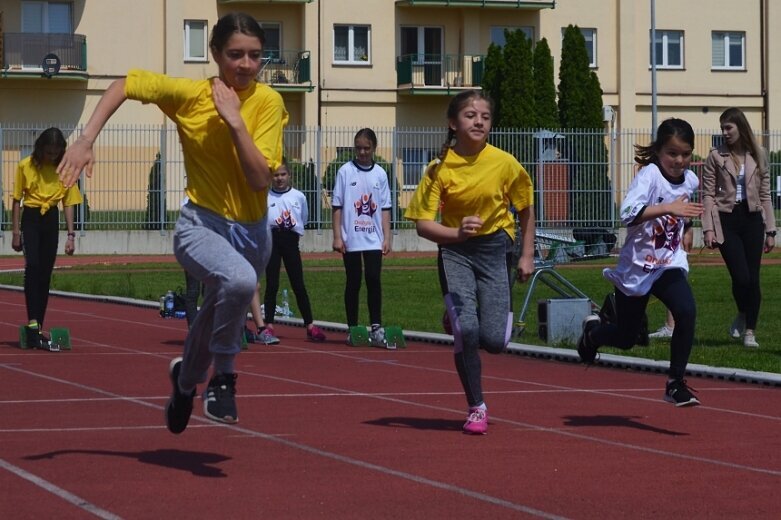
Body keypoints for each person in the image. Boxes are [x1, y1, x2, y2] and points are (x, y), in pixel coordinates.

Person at [57, 12, 288, 432]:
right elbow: (125, 84)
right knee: (238, 283)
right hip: (200, 225)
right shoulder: (188, 95)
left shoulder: (269, 103)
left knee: (220, 304)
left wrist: (235, 120)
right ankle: (224, 378)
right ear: (216, 54)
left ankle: (184, 384)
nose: (246, 65)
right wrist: (87, 138)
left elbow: (259, 180)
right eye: (235, 55)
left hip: (253, 233)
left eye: (255, 56)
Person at [404, 90, 536, 435]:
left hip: (495, 249)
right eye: (470, 115)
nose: (478, 121)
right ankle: (476, 406)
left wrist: (526, 254)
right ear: (453, 122)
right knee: (468, 331)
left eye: (485, 116)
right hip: (455, 251)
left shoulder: (506, 163)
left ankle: (458, 315)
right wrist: (457, 234)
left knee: (494, 341)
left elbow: (525, 208)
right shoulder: (438, 168)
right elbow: (422, 224)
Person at [577, 118, 703, 407]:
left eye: (685, 154)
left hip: (668, 263)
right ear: (659, 151)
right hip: (637, 267)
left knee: (687, 310)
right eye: (672, 153)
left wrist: (685, 229)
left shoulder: (691, 181)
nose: (679, 160)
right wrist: (668, 208)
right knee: (626, 337)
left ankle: (675, 383)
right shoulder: (649, 175)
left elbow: (683, 212)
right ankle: (593, 334)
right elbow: (628, 213)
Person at [702, 107, 776, 348]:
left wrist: (771, 231)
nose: (724, 133)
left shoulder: (759, 154)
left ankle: (750, 332)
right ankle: (742, 312)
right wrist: (708, 229)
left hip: (752, 219)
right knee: (740, 276)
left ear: (740, 127)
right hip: (727, 220)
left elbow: (766, 195)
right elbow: (708, 194)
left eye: (728, 127)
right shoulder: (716, 156)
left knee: (753, 279)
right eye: (722, 128)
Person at [11, 127, 82, 349]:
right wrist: (15, 233)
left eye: (55, 153)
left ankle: (39, 325)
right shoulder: (25, 166)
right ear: (40, 148)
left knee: (45, 272)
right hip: (31, 217)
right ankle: (32, 321)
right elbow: (16, 200)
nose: (51, 156)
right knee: (32, 266)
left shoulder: (65, 169)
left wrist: (71, 235)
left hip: (51, 218)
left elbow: (68, 202)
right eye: (48, 152)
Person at [331, 128, 392, 347]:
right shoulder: (345, 171)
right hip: (351, 237)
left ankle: (376, 326)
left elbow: (385, 207)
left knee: (374, 279)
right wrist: (338, 236)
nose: (363, 152)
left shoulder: (380, 174)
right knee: (353, 281)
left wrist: (387, 236)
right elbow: (337, 205)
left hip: (374, 237)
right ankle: (353, 327)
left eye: (367, 148)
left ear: (374, 148)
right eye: (359, 148)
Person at [263, 160, 327, 342]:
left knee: (298, 283)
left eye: (283, 174)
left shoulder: (298, 196)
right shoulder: (266, 197)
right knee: (272, 284)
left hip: (291, 240)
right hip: (272, 240)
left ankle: (310, 325)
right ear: (271, 177)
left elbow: (303, 218)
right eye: (276, 175)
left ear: (289, 175)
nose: (279, 178)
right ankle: (268, 324)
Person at [647, 225, 693, 338]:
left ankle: (672, 327)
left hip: (673, 233)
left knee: (673, 280)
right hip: (670, 231)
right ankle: (672, 326)